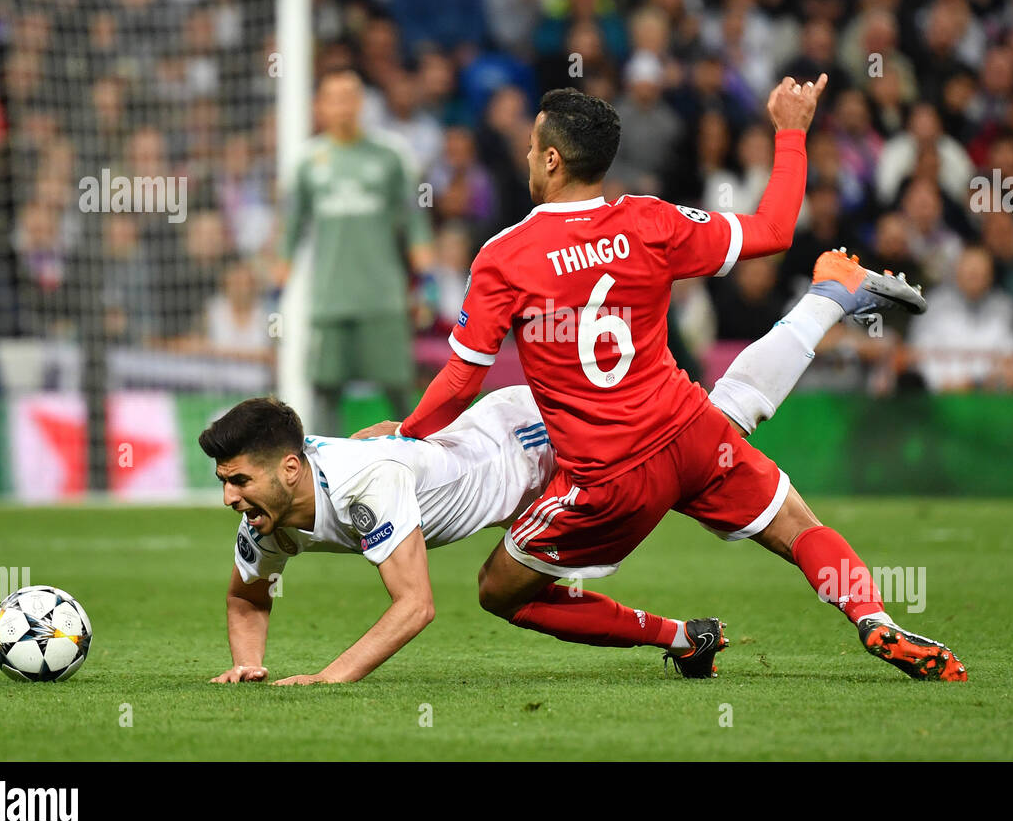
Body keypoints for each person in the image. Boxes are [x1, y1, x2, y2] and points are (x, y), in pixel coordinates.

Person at [390, 82, 967, 682]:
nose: (529, 157)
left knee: (498, 590)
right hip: (694, 437)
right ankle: (873, 617)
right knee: (799, 526)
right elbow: (773, 230)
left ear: (552, 159)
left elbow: (461, 380)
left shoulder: (505, 256)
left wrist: (406, 438)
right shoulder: (652, 220)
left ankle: (680, 637)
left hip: (609, 478)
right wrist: (791, 130)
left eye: (534, 148)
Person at [202, 263, 913, 686]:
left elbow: (414, 606)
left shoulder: (365, 483)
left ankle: (825, 295)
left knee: (712, 436)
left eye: (238, 481)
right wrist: (249, 665)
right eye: (227, 483)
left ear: (291, 470)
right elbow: (246, 599)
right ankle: (685, 639)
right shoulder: (268, 513)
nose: (230, 498)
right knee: (718, 430)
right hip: (500, 441)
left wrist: (331, 676)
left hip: (529, 438)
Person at [281, 68, 434, 435]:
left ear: (361, 102)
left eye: (349, 97)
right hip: (330, 300)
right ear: (320, 106)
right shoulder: (306, 162)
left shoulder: (390, 155)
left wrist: (425, 283)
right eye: (333, 98)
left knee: (398, 388)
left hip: (382, 297)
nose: (342, 106)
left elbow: (414, 221)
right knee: (324, 391)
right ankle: (323, 475)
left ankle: (419, 463)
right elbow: (290, 228)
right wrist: (278, 286)